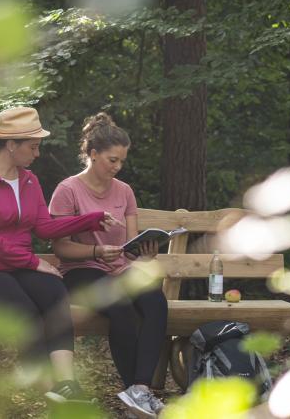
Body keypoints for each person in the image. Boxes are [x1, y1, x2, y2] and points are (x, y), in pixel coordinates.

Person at [0, 106, 123, 403]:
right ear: (11, 145)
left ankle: (68, 384)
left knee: (54, 289)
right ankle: (47, 387)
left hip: (11, 268)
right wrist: (33, 262)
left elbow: (44, 226)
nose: (37, 154)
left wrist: (91, 219)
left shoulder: (28, 181)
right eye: (33, 147)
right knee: (25, 308)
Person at [48, 112, 168, 418]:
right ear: (92, 154)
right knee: (121, 308)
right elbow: (60, 248)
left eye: (121, 162)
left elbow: (129, 246)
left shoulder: (124, 191)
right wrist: (96, 251)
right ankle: (135, 395)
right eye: (112, 160)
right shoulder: (67, 190)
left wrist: (143, 253)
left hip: (119, 270)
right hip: (81, 271)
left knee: (156, 300)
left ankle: (140, 390)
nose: (117, 167)